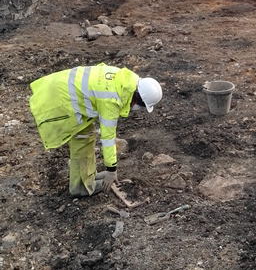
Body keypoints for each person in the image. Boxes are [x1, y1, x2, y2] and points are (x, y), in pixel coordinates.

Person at [29, 63, 162, 198]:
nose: (138, 108)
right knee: (82, 140)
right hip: (60, 100)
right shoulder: (111, 99)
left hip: (59, 87)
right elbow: (108, 138)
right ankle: (80, 187)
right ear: (137, 98)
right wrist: (111, 170)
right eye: (141, 105)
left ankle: (88, 175)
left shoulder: (125, 79)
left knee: (87, 135)